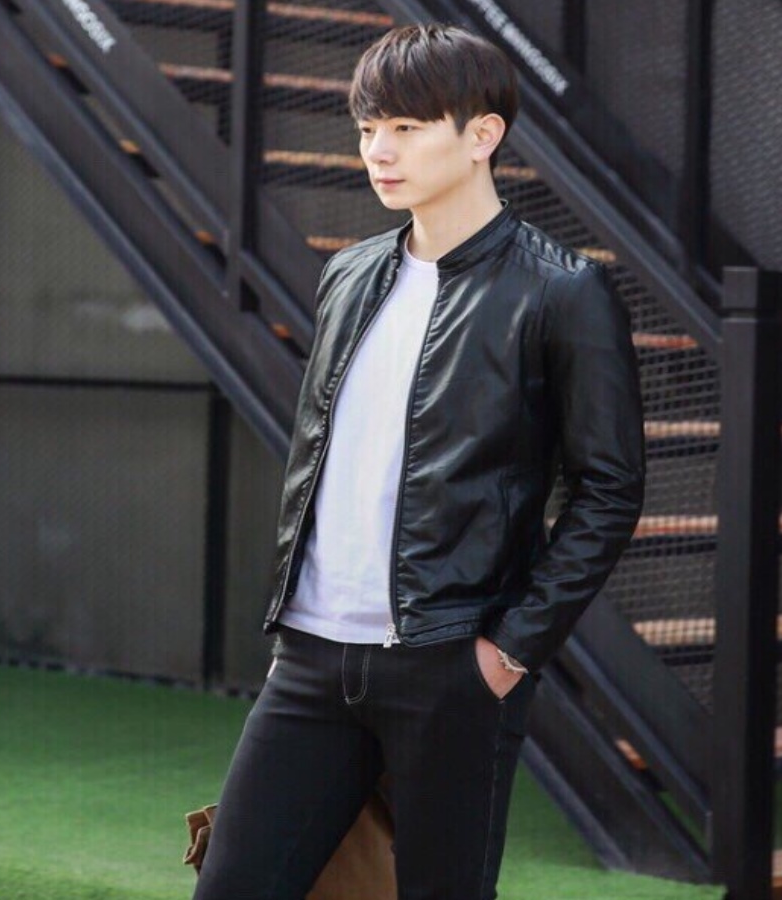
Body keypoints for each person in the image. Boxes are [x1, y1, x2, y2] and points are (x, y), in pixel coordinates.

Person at [193, 22, 645, 900]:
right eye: (368, 127)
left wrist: (508, 651)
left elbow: (609, 489)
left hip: (451, 665)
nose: (378, 150)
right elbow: (323, 458)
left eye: (406, 127)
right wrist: (295, 622)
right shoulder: (349, 275)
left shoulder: (561, 291)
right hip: (313, 658)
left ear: (483, 135)